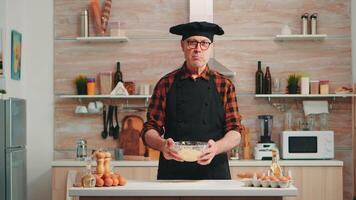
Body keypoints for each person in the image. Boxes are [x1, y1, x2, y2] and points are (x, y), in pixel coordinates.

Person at [141, 21, 243, 180]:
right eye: (192, 43)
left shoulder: (224, 85)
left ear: (211, 47)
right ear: (182, 46)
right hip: (173, 173)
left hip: (215, 174)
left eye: (204, 43)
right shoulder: (165, 84)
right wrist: (162, 146)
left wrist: (216, 147)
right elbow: (149, 129)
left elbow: (235, 131)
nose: (198, 49)